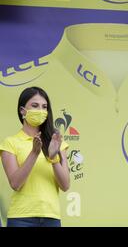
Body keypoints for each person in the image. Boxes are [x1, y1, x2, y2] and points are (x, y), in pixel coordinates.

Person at [0, 86, 70, 227]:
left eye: (44, 107)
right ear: (22, 111)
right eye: (35, 105)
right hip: (21, 218)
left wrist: (53, 158)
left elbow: (65, 185)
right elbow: (15, 184)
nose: (40, 111)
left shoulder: (56, 142)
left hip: (51, 217)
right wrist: (34, 153)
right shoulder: (10, 143)